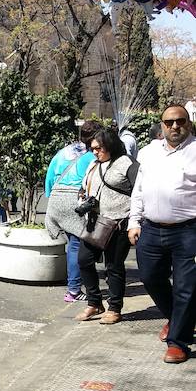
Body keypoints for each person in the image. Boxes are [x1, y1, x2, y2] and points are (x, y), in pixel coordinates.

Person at [128, 105, 196, 364]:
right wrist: (134, 221)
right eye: (169, 122)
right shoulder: (149, 152)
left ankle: (178, 342)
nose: (175, 126)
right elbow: (139, 189)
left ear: (188, 123)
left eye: (180, 121)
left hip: (188, 230)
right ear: (162, 124)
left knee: (186, 288)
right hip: (151, 229)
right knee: (149, 277)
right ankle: (178, 319)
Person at [74, 129, 138, 325]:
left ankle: (114, 307)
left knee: (114, 266)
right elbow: (84, 186)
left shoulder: (126, 163)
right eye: (92, 148)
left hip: (119, 222)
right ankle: (94, 302)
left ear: (109, 145)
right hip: (96, 221)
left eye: (98, 148)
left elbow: (139, 191)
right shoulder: (94, 164)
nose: (94, 152)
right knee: (84, 260)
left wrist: (135, 221)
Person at [44, 120, 103, 303]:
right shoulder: (93, 155)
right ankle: (74, 290)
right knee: (77, 245)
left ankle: (76, 286)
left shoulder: (64, 151)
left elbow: (49, 175)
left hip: (56, 197)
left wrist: (50, 198)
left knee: (73, 244)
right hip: (74, 199)